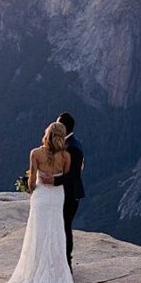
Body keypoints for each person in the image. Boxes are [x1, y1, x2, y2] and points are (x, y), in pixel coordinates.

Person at [0, 121, 83, 283]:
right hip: (56, 198)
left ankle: (34, 269)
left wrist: (33, 188)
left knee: (37, 233)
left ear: (46, 134)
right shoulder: (66, 157)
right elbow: (65, 179)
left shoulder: (35, 153)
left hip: (41, 197)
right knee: (56, 233)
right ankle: (56, 268)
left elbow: (32, 180)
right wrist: (53, 180)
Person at [56, 111, 85, 264]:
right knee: (63, 225)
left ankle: (67, 260)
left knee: (65, 225)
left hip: (70, 193)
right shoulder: (70, 143)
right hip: (68, 192)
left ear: (64, 128)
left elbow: (72, 175)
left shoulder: (72, 147)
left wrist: (51, 181)